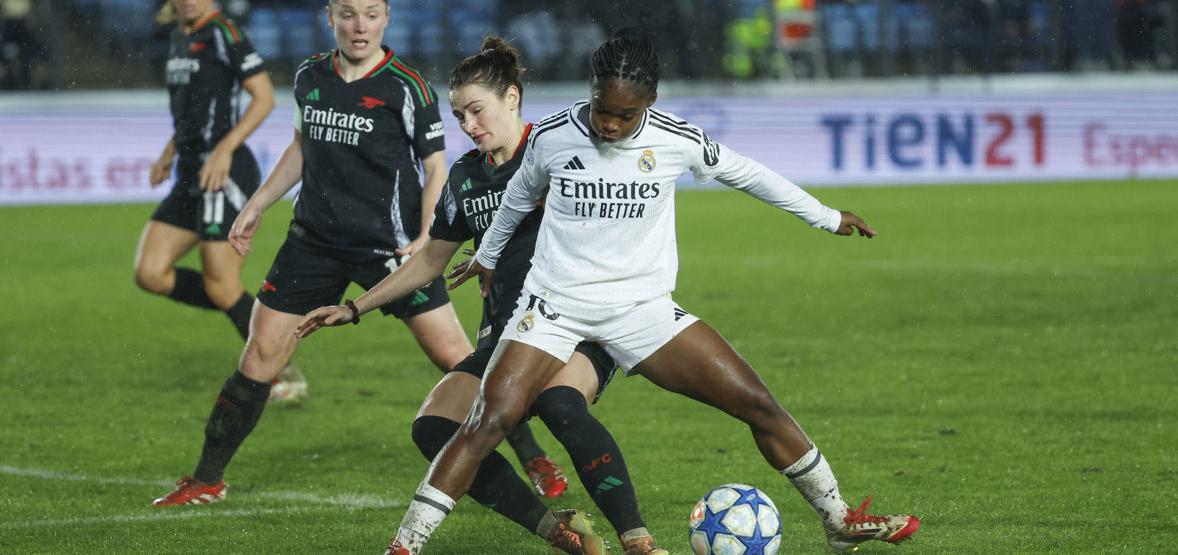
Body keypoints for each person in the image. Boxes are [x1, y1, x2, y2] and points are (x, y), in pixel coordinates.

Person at [366, 29, 922, 554]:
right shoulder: (556, 137)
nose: (610, 124)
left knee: (757, 403)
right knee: (487, 420)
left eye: (625, 115)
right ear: (591, 95)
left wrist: (826, 216)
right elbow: (515, 201)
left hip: (642, 310)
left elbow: (748, 173)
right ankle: (404, 544)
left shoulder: (674, 139)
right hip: (555, 307)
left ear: (650, 101)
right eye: (603, 110)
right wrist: (487, 256)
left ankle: (839, 519)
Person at [151, 0, 563, 508]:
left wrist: (423, 234)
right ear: (331, 18)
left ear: (386, 18)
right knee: (259, 355)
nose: (360, 25)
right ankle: (207, 480)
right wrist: (258, 204)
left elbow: (435, 168)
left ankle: (534, 458)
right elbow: (302, 147)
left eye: (370, 13)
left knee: (458, 359)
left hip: (389, 247)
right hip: (312, 244)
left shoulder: (406, 86)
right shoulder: (309, 76)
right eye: (348, 14)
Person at [296, 36, 666, 555]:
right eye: (459, 115)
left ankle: (639, 541)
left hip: (574, 326)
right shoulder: (465, 177)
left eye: (477, 110)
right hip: (505, 335)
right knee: (433, 427)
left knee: (560, 403)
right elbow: (429, 261)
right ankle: (559, 532)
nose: (468, 125)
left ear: (512, 98)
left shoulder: (561, 152)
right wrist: (355, 306)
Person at [134, 0, 287, 392]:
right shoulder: (178, 36)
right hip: (189, 172)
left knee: (222, 285)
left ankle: (277, 368)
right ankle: (258, 321)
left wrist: (224, 148)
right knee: (150, 272)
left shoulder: (225, 33)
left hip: (225, 172)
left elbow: (264, 97)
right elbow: (191, 110)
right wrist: (169, 152)